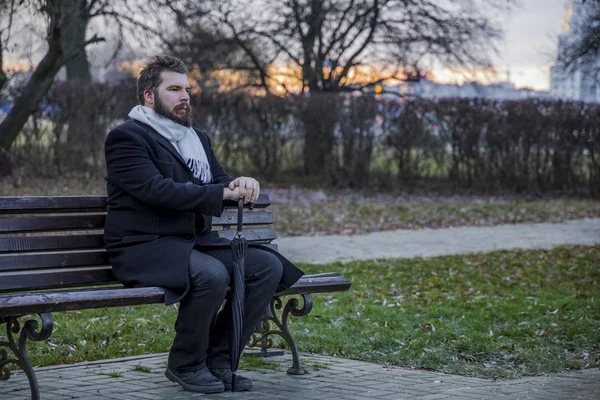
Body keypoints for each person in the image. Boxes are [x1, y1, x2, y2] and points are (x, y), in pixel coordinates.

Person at [103, 55, 304, 394]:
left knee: (266, 266)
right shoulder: (127, 138)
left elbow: (219, 182)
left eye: (187, 90)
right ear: (149, 96)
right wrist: (220, 191)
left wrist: (241, 183)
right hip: (144, 246)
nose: (184, 97)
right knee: (211, 274)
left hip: (190, 242)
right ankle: (185, 364)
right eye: (174, 89)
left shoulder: (198, 139)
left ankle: (219, 360)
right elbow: (157, 190)